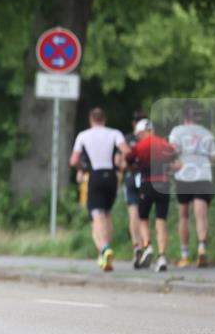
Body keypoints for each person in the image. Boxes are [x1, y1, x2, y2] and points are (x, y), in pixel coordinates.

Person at [69, 107, 131, 271]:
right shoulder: (114, 133)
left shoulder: (83, 135)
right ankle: (105, 256)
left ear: (91, 120)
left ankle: (104, 248)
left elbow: (74, 160)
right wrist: (123, 165)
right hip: (111, 176)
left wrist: (83, 168)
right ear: (105, 119)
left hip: (95, 175)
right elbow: (127, 151)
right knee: (107, 214)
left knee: (96, 214)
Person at [169, 101, 215, 268]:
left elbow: (172, 152)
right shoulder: (206, 133)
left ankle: (184, 255)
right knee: (201, 214)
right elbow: (214, 157)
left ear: (183, 116)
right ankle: (202, 247)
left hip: (184, 176)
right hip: (203, 175)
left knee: (184, 215)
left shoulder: (177, 131)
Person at [127, 118, 178, 272]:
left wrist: (135, 168)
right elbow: (176, 162)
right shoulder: (164, 144)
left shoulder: (140, 146)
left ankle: (147, 245)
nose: (138, 137)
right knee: (161, 221)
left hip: (147, 183)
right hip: (163, 184)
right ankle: (162, 256)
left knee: (142, 218)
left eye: (139, 135)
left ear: (143, 132)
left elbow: (128, 160)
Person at [121, 111, 147, 266]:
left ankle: (136, 245)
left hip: (131, 179)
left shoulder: (127, 140)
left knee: (133, 214)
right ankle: (146, 245)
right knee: (145, 216)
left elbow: (122, 163)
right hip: (147, 179)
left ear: (133, 124)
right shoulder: (151, 139)